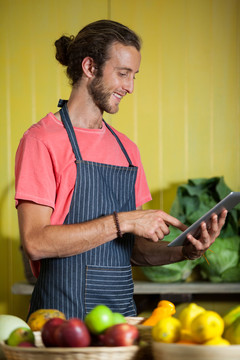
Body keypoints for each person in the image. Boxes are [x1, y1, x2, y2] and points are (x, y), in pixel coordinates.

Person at [15, 19, 227, 320]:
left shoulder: (127, 150)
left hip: (121, 323)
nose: (129, 87)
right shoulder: (41, 140)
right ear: (90, 67)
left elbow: (134, 251)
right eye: (123, 73)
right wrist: (123, 221)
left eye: (134, 76)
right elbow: (35, 242)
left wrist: (186, 251)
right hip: (60, 323)